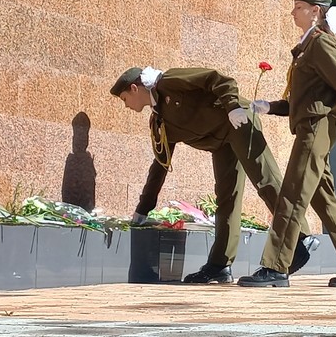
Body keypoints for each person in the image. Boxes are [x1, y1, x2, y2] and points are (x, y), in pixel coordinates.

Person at [237, 0, 336, 288]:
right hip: (311, 127)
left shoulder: (321, 43)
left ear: (315, 11)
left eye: (299, 7)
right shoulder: (307, 46)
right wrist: (269, 107)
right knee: (323, 197)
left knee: (292, 196)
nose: (293, 12)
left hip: (316, 129)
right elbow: (304, 98)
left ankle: (276, 267)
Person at [111, 66, 314, 284]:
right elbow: (160, 166)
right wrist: (143, 209)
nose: (126, 105)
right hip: (220, 143)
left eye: (124, 99)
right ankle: (219, 265)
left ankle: (301, 237)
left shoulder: (169, 82)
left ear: (135, 88)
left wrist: (233, 107)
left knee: (265, 180)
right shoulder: (159, 120)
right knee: (226, 200)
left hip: (238, 121)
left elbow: (217, 79)